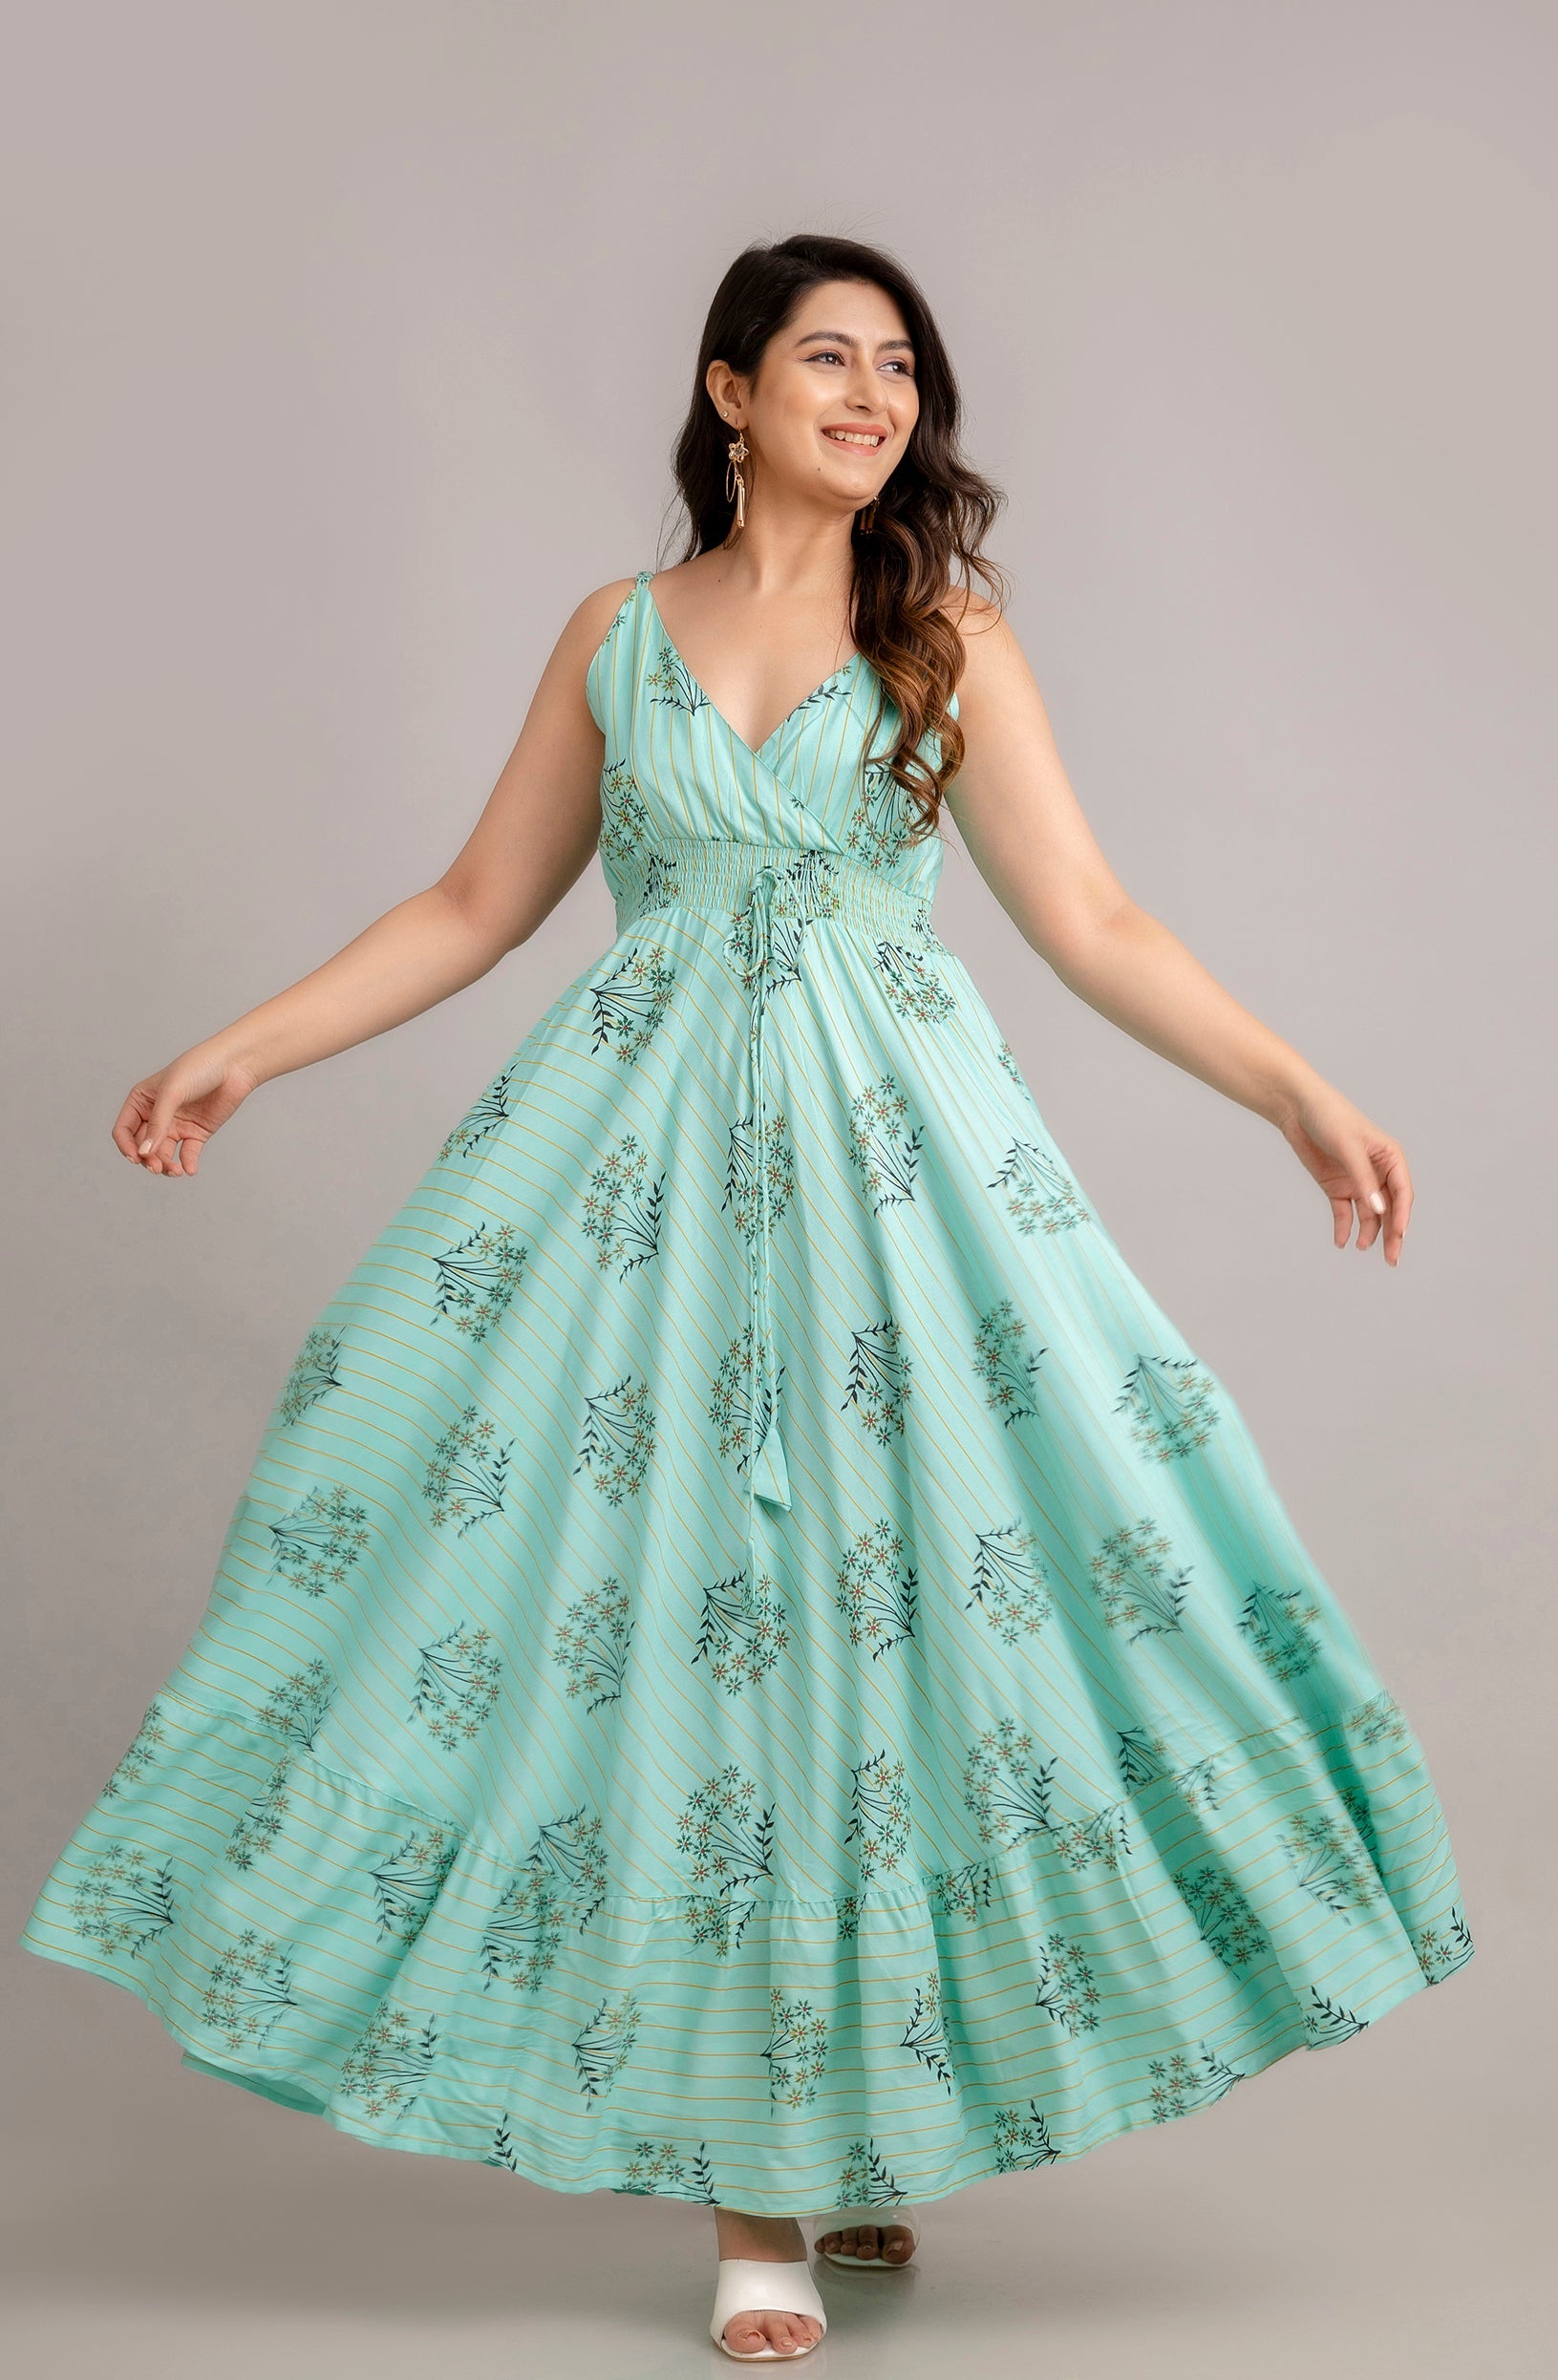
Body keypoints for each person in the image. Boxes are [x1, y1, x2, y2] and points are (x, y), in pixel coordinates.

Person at [19, 231, 1473, 2364]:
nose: (874, 397)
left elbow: (1091, 917)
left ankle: (860, 2108)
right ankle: (758, 2187)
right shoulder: (615, 635)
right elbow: (475, 901)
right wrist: (247, 1047)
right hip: (643, 1197)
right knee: (701, 1629)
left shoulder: (943, 630)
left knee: (904, 1621)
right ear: (729, 391)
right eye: (828, 358)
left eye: (900, 367)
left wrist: (1298, 1097)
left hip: (902, 1198)